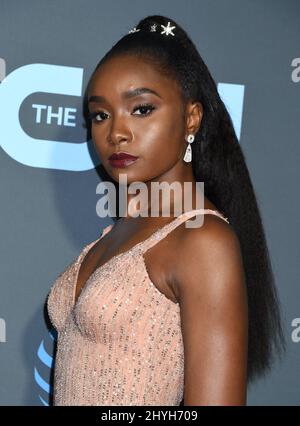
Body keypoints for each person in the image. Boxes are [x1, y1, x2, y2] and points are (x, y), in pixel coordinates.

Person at [47, 15, 286, 406]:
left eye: (141, 109)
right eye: (100, 115)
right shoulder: (118, 232)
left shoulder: (202, 240)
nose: (116, 132)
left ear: (191, 117)